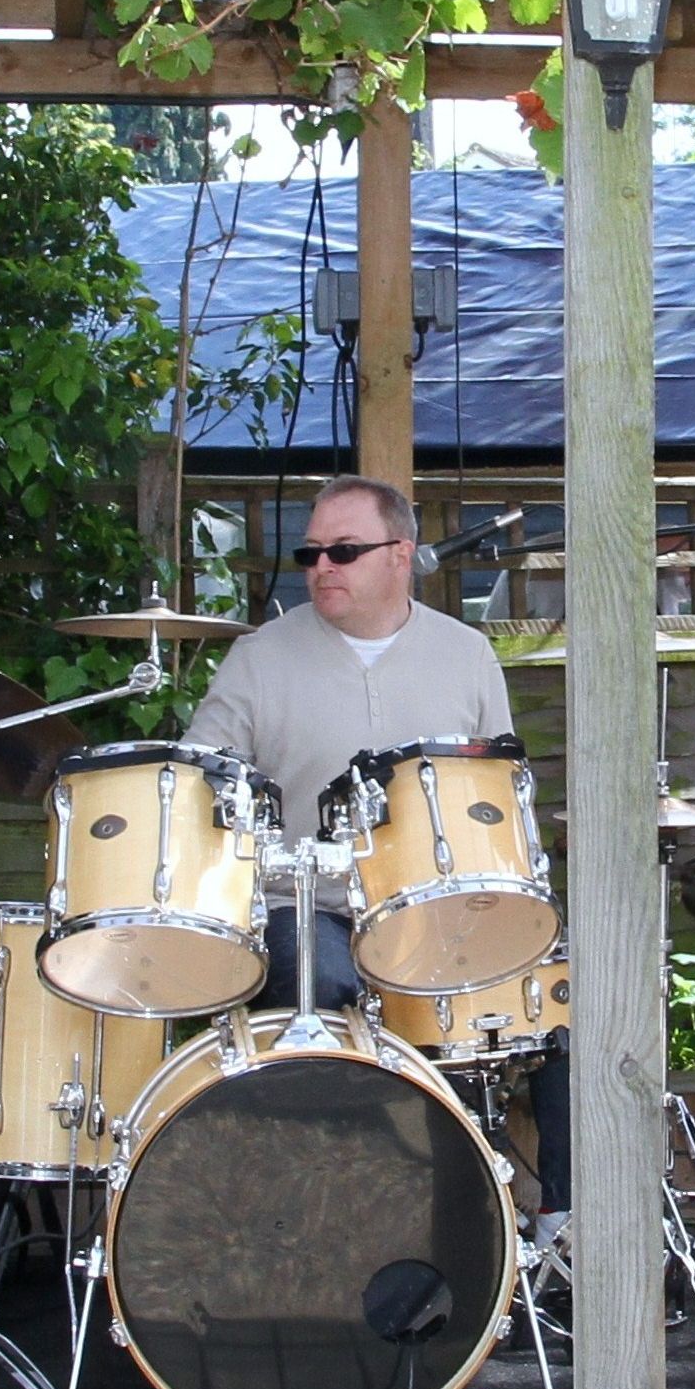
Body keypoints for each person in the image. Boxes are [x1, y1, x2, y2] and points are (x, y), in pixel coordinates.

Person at [184, 475, 570, 1226]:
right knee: (323, 984)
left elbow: (500, 793)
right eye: (311, 552)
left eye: (344, 551)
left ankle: (560, 1221)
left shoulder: (466, 654)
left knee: (559, 988)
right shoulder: (260, 658)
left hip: (443, 910)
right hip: (310, 908)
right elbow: (202, 784)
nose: (322, 566)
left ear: (402, 555)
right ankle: (360, 1213)